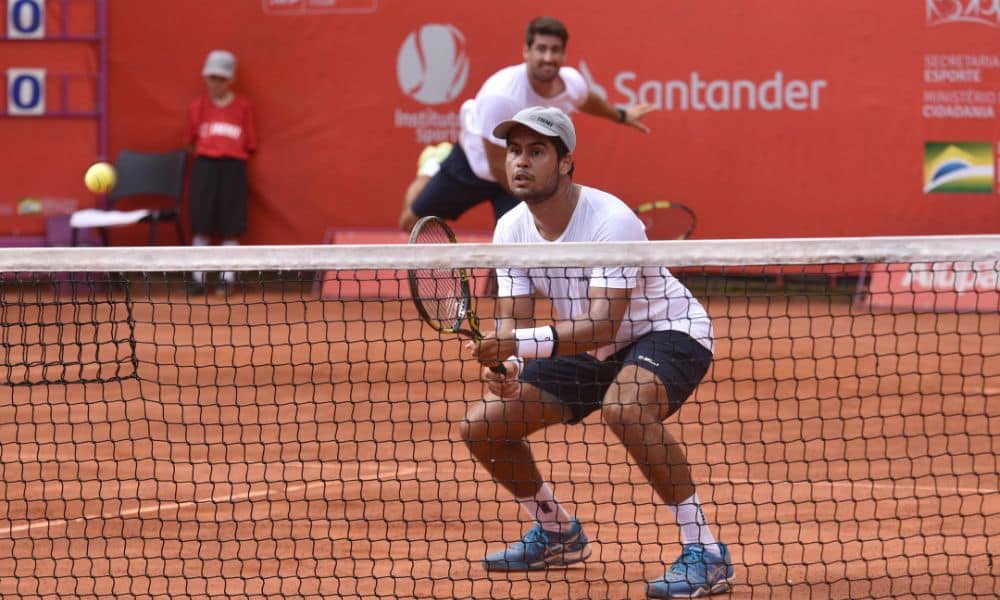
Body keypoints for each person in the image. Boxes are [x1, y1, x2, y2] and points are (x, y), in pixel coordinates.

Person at [463, 106, 733, 599]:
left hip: (665, 330)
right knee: (483, 427)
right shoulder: (510, 229)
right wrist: (510, 365)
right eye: (514, 151)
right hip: (589, 345)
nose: (521, 162)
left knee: (625, 409)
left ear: (566, 163)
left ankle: (707, 552)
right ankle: (555, 532)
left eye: (537, 151)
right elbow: (513, 321)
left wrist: (519, 344)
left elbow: (603, 323)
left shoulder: (611, 220)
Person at [397, 16, 654, 232]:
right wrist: (537, 199)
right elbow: (499, 162)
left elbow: (587, 100)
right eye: (541, 49)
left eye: (555, 50)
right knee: (410, 223)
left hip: (519, 169)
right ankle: (429, 169)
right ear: (526, 52)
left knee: (521, 254)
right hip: (476, 165)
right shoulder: (501, 95)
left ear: (564, 54)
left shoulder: (571, 83)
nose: (548, 57)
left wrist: (621, 115)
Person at [185, 49, 257, 292]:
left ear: (231, 79)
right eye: (212, 77)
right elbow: (190, 141)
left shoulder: (243, 108)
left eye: (222, 78)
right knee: (201, 224)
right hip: (205, 167)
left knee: (230, 226)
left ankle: (228, 279)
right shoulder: (198, 107)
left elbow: (250, 143)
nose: (216, 83)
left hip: (233, 169)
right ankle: (198, 279)